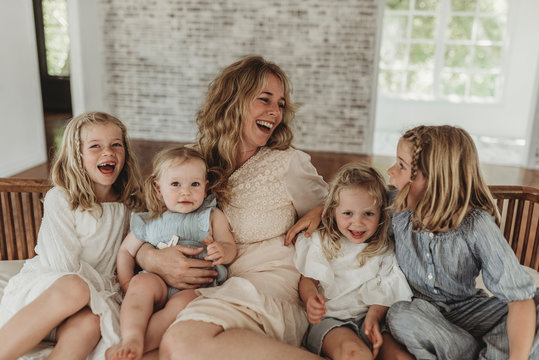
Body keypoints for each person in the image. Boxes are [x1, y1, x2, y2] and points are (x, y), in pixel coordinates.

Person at [135, 55, 329, 359]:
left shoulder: (288, 163)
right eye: (264, 100)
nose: (275, 112)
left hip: (267, 286)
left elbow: (347, 208)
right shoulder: (192, 161)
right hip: (211, 286)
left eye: (280, 104)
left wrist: (322, 210)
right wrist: (152, 258)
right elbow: (150, 223)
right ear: (232, 102)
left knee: (180, 344)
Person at [385, 125, 539, 359]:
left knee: (533, 305)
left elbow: (519, 297)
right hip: (423, 313)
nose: (390, 171)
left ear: (434, 179)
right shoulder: (397, 207)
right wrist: (320, 211)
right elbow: (353, 204)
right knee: (399, 315)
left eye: (401, 165)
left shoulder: (476, 225)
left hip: (469, 310)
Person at [0, 111, 144, 359]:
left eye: (115, 145)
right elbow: (61, 265)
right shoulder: (63, 198)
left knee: (90, 324)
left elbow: (133, 252)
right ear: (77, 155)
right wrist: (97, 288)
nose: (107, 152)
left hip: (90, 302)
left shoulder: (129, 205)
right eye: (95, 146)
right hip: (49, 295)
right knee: (74, 286)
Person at [106, 146, 236, 360]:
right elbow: (125, 251)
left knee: (181, 305)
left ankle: (141, 345)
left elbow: (230, 247)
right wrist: (128, 283)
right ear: (158, 189)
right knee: (141, 286)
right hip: (157, 281)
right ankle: (131, 337)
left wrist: (222, 251)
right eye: (175, 184)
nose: (185, 191)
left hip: (196, 286)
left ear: (205, 187)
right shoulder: (150, 221)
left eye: (194, 184)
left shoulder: (211, 216)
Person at [294, 162, 412, 360]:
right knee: (355, 354)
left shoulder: (383, 248)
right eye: (348, 213)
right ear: (333, 211)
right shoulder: (322, 241)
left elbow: (385, 292)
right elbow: (308, 280)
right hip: (332, 321)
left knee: (401, 357)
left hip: (372, 321)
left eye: (368, 214)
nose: (357, 223)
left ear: (381, 214)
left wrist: (374, 318)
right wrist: (310, 299)